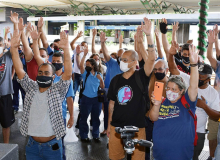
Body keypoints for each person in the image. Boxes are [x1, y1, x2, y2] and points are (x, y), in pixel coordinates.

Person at [11, 27, 72, 159]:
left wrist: (66, 49)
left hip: (52, 147)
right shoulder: (31, 88)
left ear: (53, 76)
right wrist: (14, 49)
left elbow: (68, 73)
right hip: (32, 146)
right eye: (40, 73)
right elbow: (20, 70)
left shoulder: (57, 91)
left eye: (46, 73)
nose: (42, 75)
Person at [107, 18, 156, 160]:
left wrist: (148, 35)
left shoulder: (141, 76)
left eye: (125, 60)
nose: (122, 62)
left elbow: (151, 60)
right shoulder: (116, 79)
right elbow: (111, 104)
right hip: (117, 127)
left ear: (134, 62)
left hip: (137, 128)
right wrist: (110, 125)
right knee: (115, 157)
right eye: (121, 59)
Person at [169, 40, 220, 160]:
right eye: (197, 74)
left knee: (193, 157)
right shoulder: (188, 79)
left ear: (208, 79)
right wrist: (171, 55)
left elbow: (217, 115)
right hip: (180, 128)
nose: (198, 77)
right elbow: (173, 69)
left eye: (201, 76)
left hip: (198, 132)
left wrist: (205, 106)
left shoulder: (212, 93)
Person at [150, 41, 198, 160]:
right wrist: (156, 105)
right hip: (159, 154)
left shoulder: (187, 102)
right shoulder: (162, 101)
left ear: (181, 91)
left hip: (181, 155)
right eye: (168, 88)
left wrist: (194, 64)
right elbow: (153, 118)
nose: (170, 91)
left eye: (174, 89)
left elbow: (193, 85)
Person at [77, 44, 105, 142]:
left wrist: (101, 79)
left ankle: (96, 135)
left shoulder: (99, 74)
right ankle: (84, 136)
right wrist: (84, 55)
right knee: (84, 118)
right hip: (86, 98)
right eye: (86, 64)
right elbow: (80, 66)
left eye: (88, 64)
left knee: (96, 118)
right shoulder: (85, 73)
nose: (86, 65)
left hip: (96, 99)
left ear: (93, 65)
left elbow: (102, 87)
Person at [206, 29, 220, 160]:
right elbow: (210, 56)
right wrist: (211, 42)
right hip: (216, 109)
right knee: (212, 136)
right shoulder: (219, 66)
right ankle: (211, 156)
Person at [0, 33, 15, 144]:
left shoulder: (7, 56)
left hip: (5, 94)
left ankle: (6, 146)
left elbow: (15, 47)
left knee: (6, 123)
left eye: (0, 44)